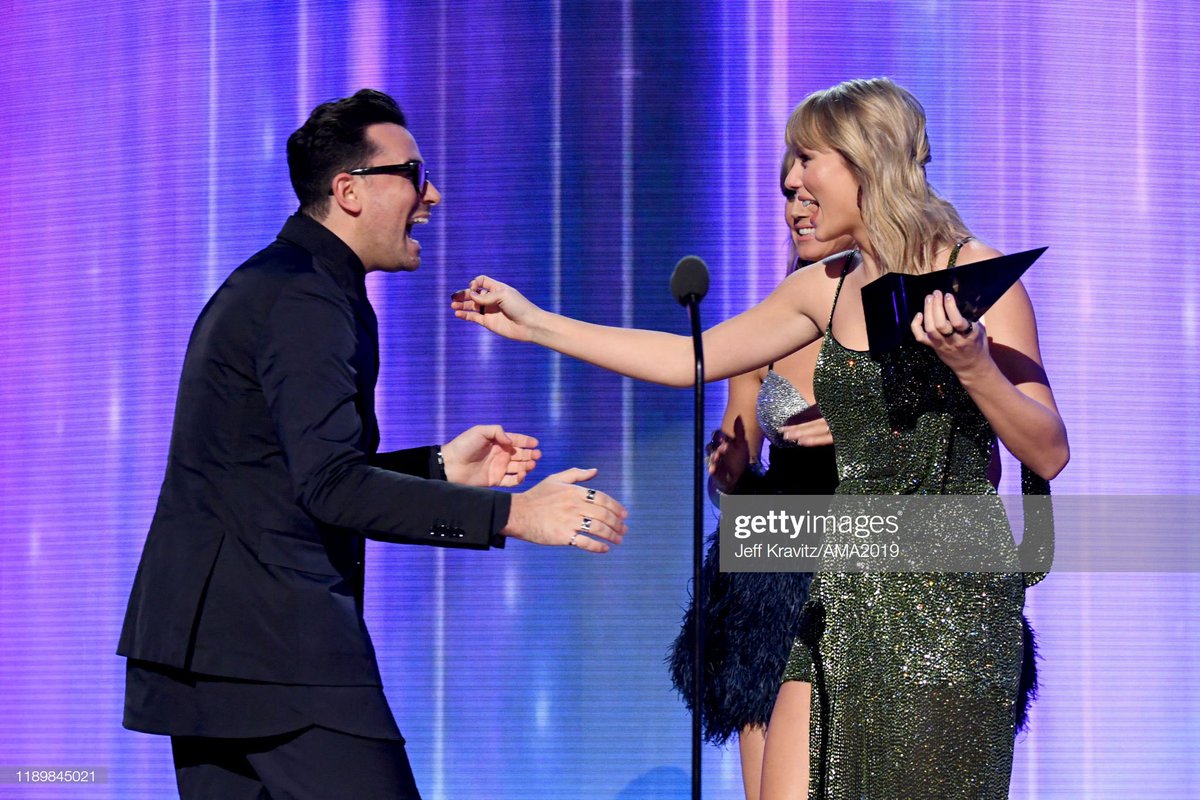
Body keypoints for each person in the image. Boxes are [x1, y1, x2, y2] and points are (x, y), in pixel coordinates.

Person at [451, 78, 1067, 800]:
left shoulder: (976, 276)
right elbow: (691, 358)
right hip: (839, 594)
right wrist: (536, 322)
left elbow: (1047, 450)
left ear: (869, 160)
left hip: (947, 601)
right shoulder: (823, 287)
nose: (790, 179)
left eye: (809, 158)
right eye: (789, 161)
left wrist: (974, 366)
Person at [117, 89, 627, 800]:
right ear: (348, 190)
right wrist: (517, 516)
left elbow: (283, 475)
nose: (432, 195)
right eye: (414, 174)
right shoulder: (306, 298)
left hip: (212, 648)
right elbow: (330, 486)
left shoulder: (290, 282)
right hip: (271, 647)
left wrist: (441, 468)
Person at [667, 151, 850, 800]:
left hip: (881, 564)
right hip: (776, 578)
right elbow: (733, 473)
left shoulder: (909, 321)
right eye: (786, 195)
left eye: (810, 194)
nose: (795, 207)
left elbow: (979, 463)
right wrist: (729, 470)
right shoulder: (767, 330)